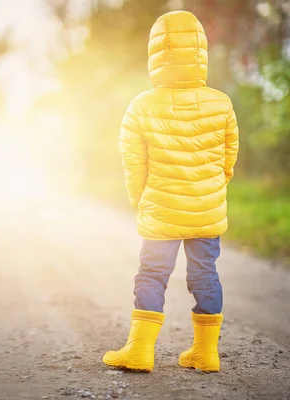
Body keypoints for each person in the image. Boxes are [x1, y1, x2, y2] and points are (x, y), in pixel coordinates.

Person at [102, 10, 239, 373]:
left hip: (161, 207)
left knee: (152, 274)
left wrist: (138, 199)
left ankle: (140, 350)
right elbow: (229, 155)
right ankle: (206, 353)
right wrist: (213, 186)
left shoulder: (141, 106)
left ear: (157, 51)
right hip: (207, 208)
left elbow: (133, 163)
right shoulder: (221, 102)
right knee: (205, 275)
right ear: (200, 51)